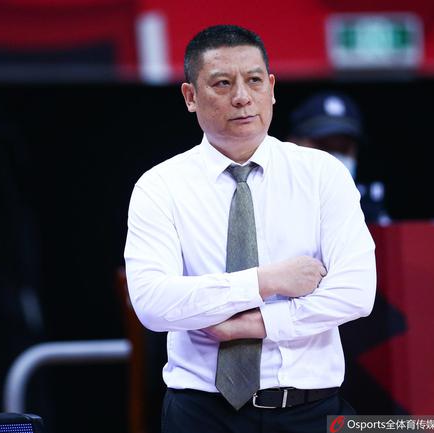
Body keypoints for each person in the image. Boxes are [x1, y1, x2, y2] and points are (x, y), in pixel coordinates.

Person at [124, 24, 376, 433]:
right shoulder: (160, 186)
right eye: (222, 83)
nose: (242, 97)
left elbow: (356, 293)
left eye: (254, 80)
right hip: (201, 412)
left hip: (310, 408)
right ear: (190, 96)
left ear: (271, 88)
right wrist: (265, 281)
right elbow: (153, 302)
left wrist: (252, 324)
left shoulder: (322, 174)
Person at [288, 91, 391, 225]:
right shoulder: (273, 195)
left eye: (343, 148)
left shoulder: (369, 203)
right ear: (292, 142)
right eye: (323, 145)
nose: (335, 158)